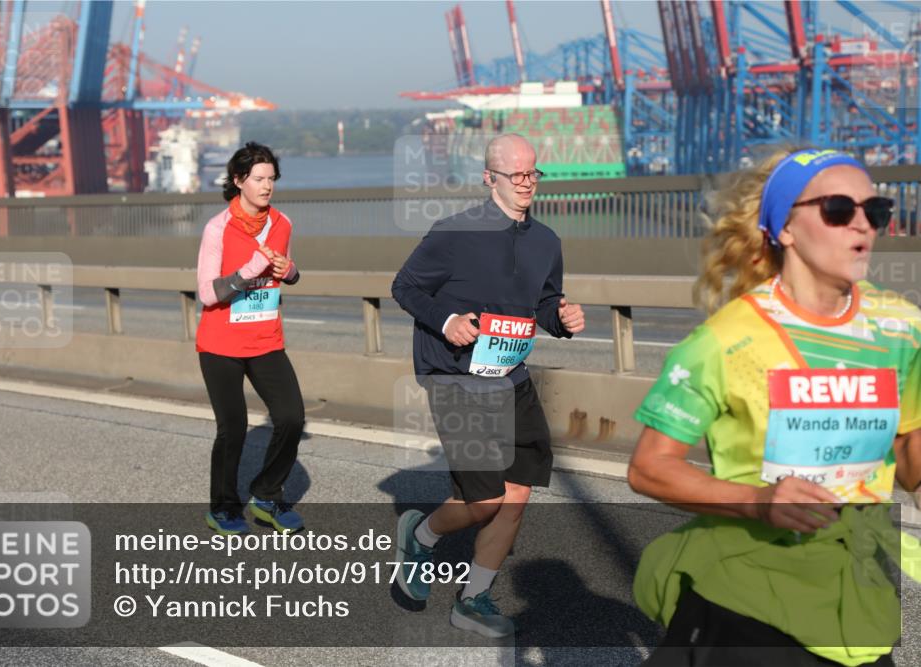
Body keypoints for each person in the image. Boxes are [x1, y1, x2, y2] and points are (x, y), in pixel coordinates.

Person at [628, 147, 921, 666]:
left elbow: (911, 464)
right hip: (750, 600)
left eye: (874, 211)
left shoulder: (900, 329)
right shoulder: (725, 340)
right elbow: (650, 468)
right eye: (837, 210)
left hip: (858, 604)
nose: (862, 225)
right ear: (785, 228)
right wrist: (758, 502)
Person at [391, 133, 586, 637]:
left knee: (517, 494)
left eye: (533, 174)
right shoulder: (455, 233)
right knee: (483, 500)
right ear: (489, 178)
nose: (527, 184)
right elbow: (405, 287)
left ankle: (473, 598)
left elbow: (544, 302)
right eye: (515, 175)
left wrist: (561, 318)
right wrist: (448, 318)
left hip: (511, 374)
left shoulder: (546, 241)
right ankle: (421, 534)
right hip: (455, 376)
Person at [195, 141, 306, 536]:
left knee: (292, 417)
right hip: (220, 343)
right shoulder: (217, 228)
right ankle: (223, 508)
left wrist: (289, 270)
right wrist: (249, 269)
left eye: (272, 179)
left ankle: (266, 494)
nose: (266, 186)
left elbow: (284, 277)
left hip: (265, 339)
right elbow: (208, 293)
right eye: (258, 178)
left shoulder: (282, 224)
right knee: (234, 428)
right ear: (239, 181)